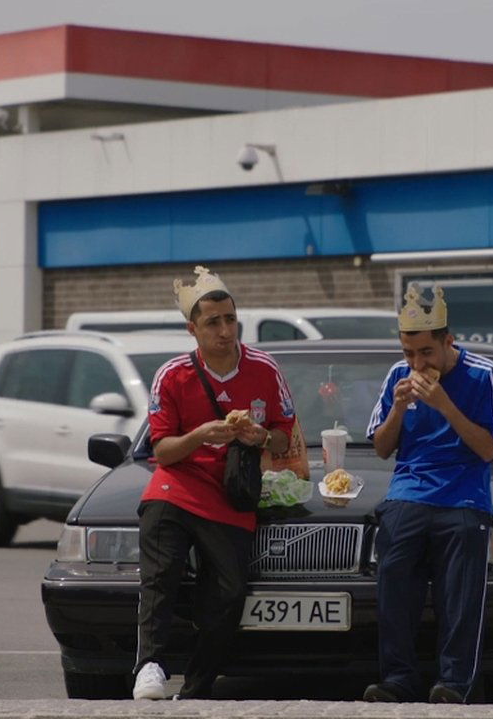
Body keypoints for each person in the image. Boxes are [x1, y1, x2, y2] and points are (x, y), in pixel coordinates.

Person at [132, 265, 296, 700]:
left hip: (231, 494)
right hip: (177, 485)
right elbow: (162, 451)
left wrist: (258, 435)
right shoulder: (171, 374)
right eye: (213, 323)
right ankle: (149, 666)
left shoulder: (265, 368)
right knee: (161, 572)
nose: (226, 331)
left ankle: (199, 684)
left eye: (231, 319)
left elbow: (285, 436)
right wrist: (201, 435)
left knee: (228, 593)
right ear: (193, 329)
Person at [363, 282, 493, 704]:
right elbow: (381, 449)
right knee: (393, 580)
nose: (416, 362)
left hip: (464, 496)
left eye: (425, 353)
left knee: (460, 591)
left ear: (448, 341)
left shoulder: (484, 375)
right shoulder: (397, 375)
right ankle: (397, 679)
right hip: (409, 491)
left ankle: (453, 682)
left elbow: (489, 448)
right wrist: (396, 408)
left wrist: (445, 404)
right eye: (409, 353)